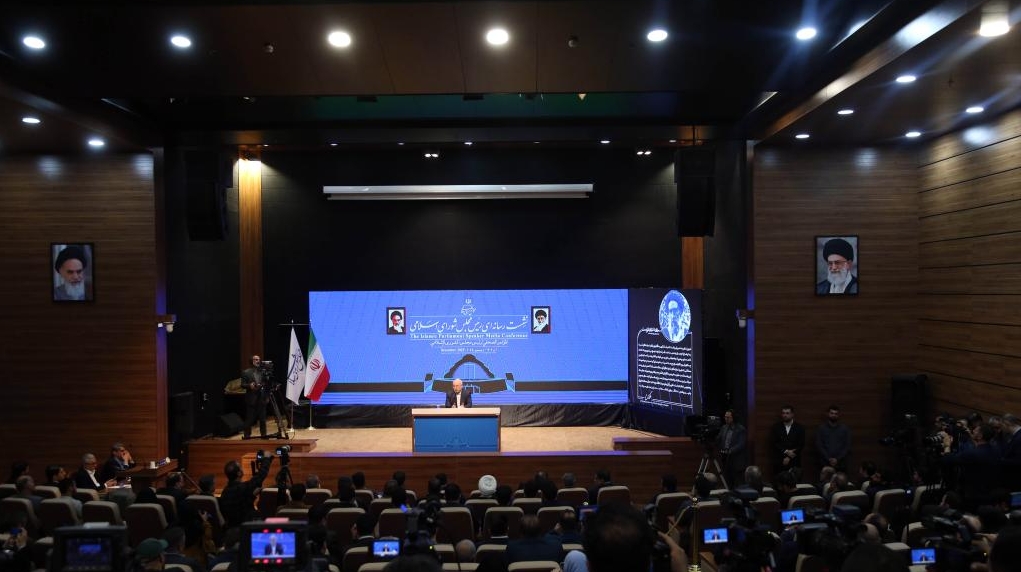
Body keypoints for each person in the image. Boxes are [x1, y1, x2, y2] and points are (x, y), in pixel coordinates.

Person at [218, 454, 273, 528]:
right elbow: (260, 476)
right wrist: (266, 459)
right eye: (240, 467)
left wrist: (252, 496)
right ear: (239, 473)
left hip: (232, 527)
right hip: (246, 527)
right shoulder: (243, 488)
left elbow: (240, 505)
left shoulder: (224, 492)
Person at [769, 404, 806, 476]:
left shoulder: (800, 428)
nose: (785, 415)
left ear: (792, 414)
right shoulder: (776, 427)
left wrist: (789, 457)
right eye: (783, 413)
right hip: (780, 460)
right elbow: (774, 443)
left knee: (794, 480)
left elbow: (801, 444)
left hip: (794, 460)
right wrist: (786, 451)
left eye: (787, 413)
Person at [716, 409, 748, 488]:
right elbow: (718, 439)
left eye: (728, 417)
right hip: (726, 460)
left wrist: (730, 451)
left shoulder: (741, 429)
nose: (726, 419)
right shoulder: (724, 427)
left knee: (738, 484)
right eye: (725, 417)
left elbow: (741, 444)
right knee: (727, 482)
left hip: (736, 460)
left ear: (734, 418)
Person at [240, 354, 269, 439]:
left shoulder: (263, 372)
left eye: (259, 359)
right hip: (251, 399)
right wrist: (249, 385)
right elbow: (242, 385)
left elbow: (266, 385)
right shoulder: (246, 372)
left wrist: (267, 396)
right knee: (249, 419)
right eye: (256, 359)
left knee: (262, 419)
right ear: (251, 361)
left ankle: (263, 435)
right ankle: (247, 436)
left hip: (262, 398)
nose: (258, 361)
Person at [816, 405, 852, 472]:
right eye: (832, 413)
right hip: (825, 462)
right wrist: (828, 458)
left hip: (841, 463)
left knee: (841, 478)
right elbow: (819, 445)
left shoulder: (845, 429)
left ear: (838, 415)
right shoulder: (821, 429)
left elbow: (847, 446)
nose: (833, 415)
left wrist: (837, 459)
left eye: (836, 414)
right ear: (828, 414)